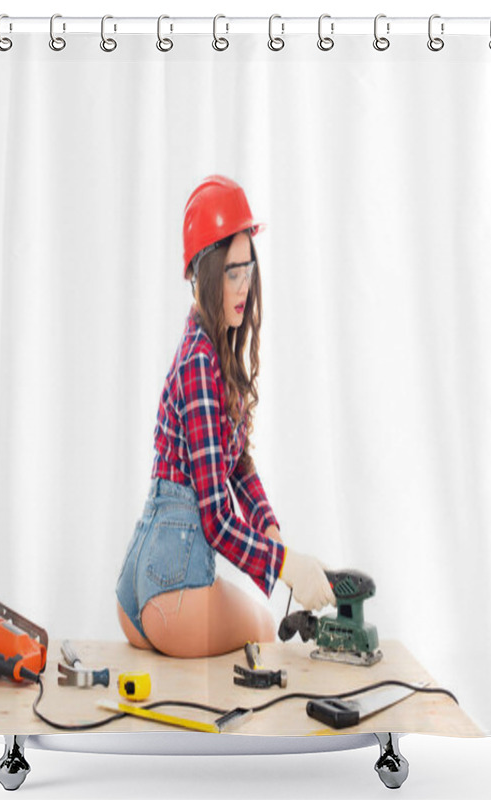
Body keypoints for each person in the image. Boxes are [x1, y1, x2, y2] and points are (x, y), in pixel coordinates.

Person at [115, 175, 334, 658]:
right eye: (231, 273)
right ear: (205, 275)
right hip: (171, 589)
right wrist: (284, 566)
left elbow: (235, 465)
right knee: (261, 625)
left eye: (248, 271)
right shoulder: (199, 363)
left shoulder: (209, 352)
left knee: (255, 623)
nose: (243, 287)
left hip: (140, 588)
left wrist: (270, 529)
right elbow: (213, 519)